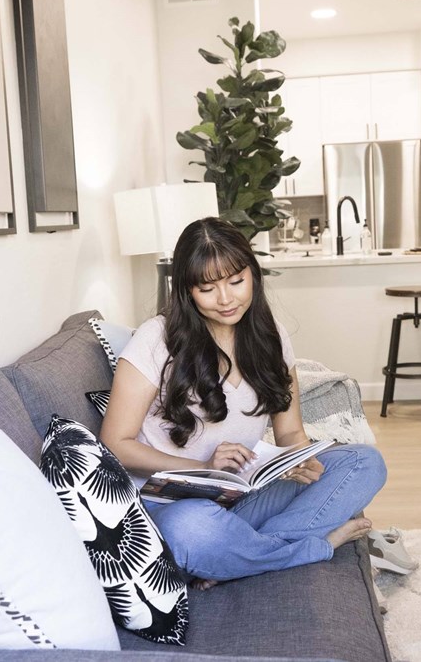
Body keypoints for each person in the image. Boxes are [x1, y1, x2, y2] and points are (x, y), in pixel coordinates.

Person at [100, 217, 387, 589]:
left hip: (243, 497)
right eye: (207, 288)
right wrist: (202, 466)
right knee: (193, 533)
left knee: (364, 462)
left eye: (236, 282)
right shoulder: (155, 339)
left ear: (252, 274)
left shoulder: (270, 336)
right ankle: (308, 548)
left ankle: (236, 557)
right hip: (177, 508)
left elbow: (290, 431)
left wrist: (302, 461)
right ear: (187, 291)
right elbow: (114, 444)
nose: (225, 299)